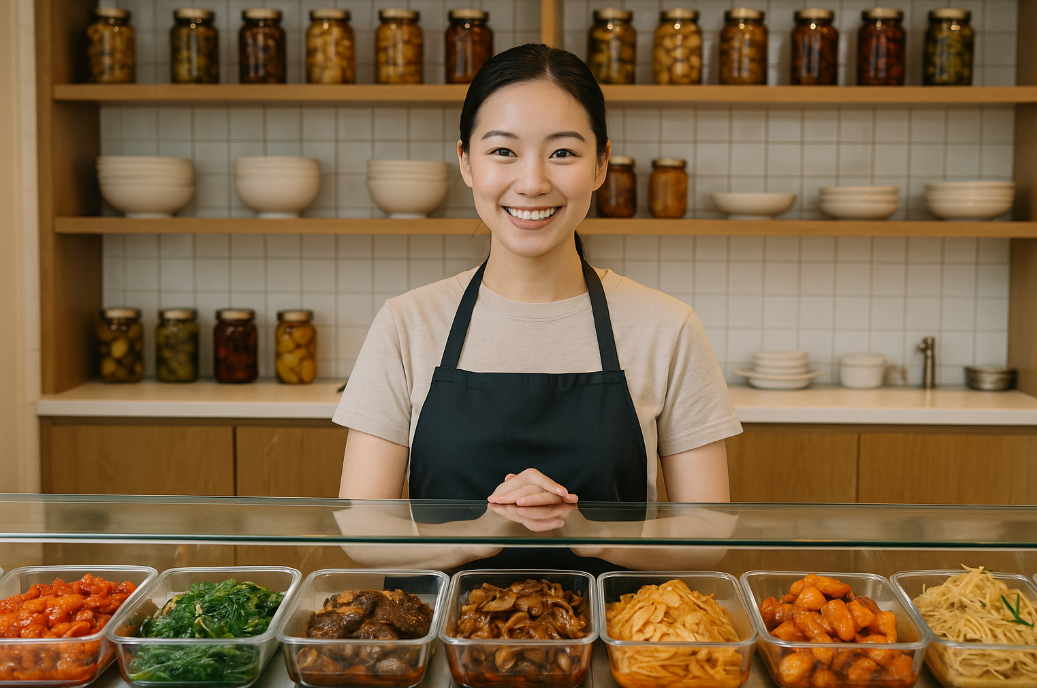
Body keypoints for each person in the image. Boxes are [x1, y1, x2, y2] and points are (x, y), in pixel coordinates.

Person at [334, 43, 742, 573]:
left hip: (608, 648)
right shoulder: (406, 324)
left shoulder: (667, 327)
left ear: (601, 165)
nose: (531, 183)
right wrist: (483, 531)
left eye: (563, 153)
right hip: (441, 648)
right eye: (503, 151)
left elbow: (709, 534)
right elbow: (360, 533)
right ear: (466, 163)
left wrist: (588, 533)